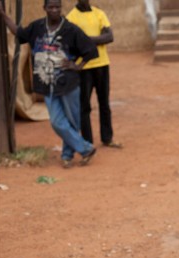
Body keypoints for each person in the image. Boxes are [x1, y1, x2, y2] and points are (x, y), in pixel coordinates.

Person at [0, 0, 98, 168]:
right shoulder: (37, 27)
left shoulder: (70, 30)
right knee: (57, 122)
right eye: (50, 7)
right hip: (46, 83)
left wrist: (77, 65)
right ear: (44, 9)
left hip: (68, 83)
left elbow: (90, 50)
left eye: (57, 7)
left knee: (72, 123)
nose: (54, 10)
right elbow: (18, 32)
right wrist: (2, 14)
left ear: (61, 8)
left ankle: (67, 155)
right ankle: (86, 148)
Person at [66, 0, 122, 149]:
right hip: (84, 67)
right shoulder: (72, 17)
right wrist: (98, 39)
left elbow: (110, 37)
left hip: (102, 64)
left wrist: (86, 40)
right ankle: (88, 142)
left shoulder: (99, 13)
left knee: (104, 103)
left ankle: (107, 138)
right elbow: (74, 42)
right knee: (84, 106)